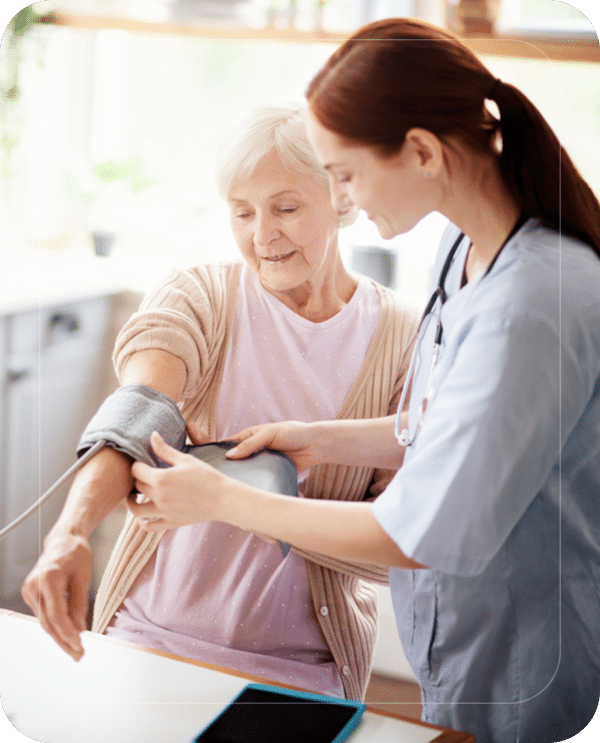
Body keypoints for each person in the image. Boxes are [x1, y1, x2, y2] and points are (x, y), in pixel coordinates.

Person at [124, 18, 600, 743]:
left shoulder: (531, 302)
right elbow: (448, 423)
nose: (343, 198)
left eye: (343, 176)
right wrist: (322, 439)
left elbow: (420, 531)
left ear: (420, 152)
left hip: (521, 651)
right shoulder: (466, 247)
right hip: (460, 641)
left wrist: (221, 498)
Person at [21, 102, 419, 701]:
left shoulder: (404, 336)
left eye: (286, 207)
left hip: (303, 665)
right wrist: (69, 533)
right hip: (149, 635)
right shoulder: (200, 295)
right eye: (242, 212)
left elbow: (399, 542)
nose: (263, 235)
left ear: (342, 197)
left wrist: (236, 503)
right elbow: (141, 408)